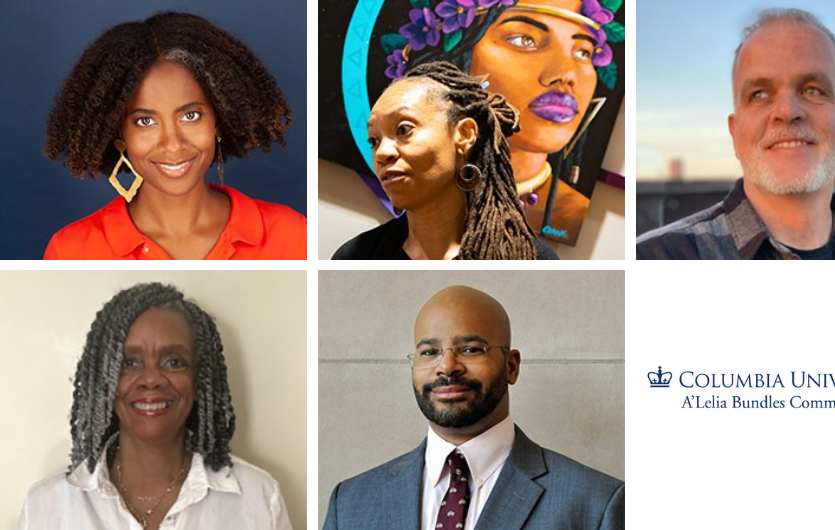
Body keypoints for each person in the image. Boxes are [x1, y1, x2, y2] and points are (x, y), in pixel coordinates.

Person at [323, 285, 623, 529]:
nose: (447, 366)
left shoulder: (596, 504)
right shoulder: (350, 503)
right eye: (429, 352)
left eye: (470, 349)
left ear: (511, 366)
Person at [636, 8, 835, 260]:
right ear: (735, 134)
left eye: (812, 89)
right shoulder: (656, 259)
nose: (787, 111)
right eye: (760, 94)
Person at [18, 283, 292, 529]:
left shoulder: (258, 498)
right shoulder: (46, 509)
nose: (151, 379)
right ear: (104, 381)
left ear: (200, 380)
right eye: (130, 362)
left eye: (174, 362)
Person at [43, 12, 306, 260]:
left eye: (190, 116)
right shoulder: (72, 251)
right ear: (119, 134)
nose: (172, 143)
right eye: (145, 121)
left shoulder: (292, 234)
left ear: (219, 119)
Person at [381, 0, 624, 244]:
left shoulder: (553, 238)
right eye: (524, 40)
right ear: (459, 58)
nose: (566, 75)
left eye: (583, 52)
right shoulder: (396, 213)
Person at [332, 61, 559, 259]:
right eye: (374, 140)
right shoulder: (357, 257)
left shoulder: (529, 261)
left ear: (464, 134)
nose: (382, 153)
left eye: (403, 129)